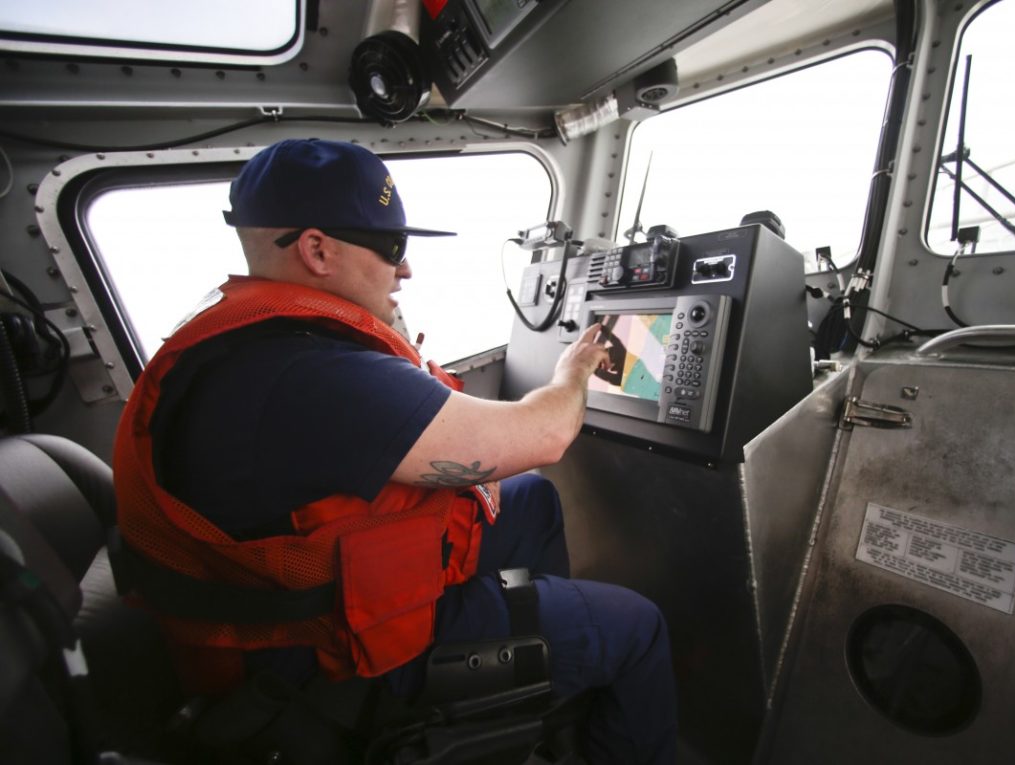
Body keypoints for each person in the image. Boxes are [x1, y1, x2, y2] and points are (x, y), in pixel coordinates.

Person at [113, 138, 676, 763]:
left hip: (317, 598)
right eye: (392, 248)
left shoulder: (251, 343)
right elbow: (545, 436)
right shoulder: (310, 373)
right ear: (317, 249)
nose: (404, 269)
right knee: (638, 626)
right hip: (330, 660)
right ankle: (534, 662)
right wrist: (573, 372)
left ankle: (525, 688)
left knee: (533, 500)